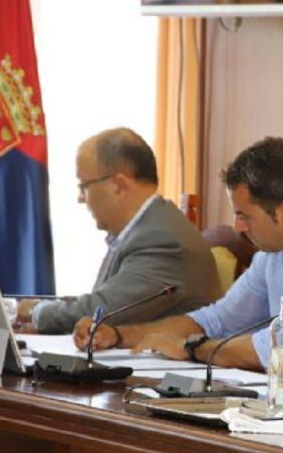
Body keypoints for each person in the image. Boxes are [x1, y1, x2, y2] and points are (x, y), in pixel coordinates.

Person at [75, 136, 283, 369]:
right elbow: (216, 319)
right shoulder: (275, 255)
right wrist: (122, 335)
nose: (238, 227)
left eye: (244, 215)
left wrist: (192, 348)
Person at [16, 128, 219, 333]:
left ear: (119, 185)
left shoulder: (162, 239)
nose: (80, 198)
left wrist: (35, 311)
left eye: (83, 185)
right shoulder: (140, 229)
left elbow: (102, 311)